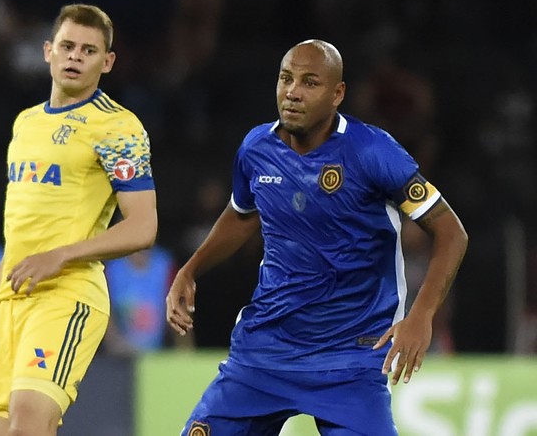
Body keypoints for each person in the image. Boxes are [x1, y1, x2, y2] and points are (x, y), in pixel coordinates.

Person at [167, 39, 469, 436]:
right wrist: (191, 269)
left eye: (310, 82)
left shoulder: (372, 151)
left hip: (349, 360)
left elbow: (452, 232)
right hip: (265, 353)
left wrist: (422, 315)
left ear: (337, 94)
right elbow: (241, 215)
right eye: (286, 79)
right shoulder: (257, 148)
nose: (292, 92)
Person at [0, 4, 158, 436]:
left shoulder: (118, 128)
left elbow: (143, 227)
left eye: (89, 50)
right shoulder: (25, 123)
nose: (75, 56)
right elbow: (23, 235)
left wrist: (60, 257)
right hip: (12, 299)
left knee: (28, 422)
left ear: (108, 62)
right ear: (48, 51)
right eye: (67, 46)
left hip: (67, 295)